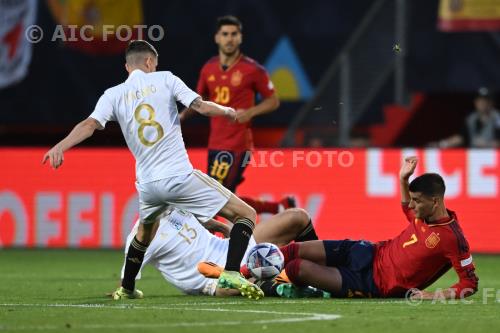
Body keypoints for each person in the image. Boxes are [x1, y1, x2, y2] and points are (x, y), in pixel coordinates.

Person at [42, 40, 263, 300]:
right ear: (149, 62)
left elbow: (89, 124)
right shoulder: (166, 79)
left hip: (147, 185)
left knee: (145, 234)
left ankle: (126, 289)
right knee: (246, 214)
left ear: (127, 66)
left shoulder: (112, 94)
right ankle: (232, 272)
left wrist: (61, 146)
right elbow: (200, 106)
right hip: (179, 175)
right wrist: (227, 111)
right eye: (154, 63)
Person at [277, 157, 479, 300]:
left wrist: (433, 295)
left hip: (372, 283)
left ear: (435, 202)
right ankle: (244, 272)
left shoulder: (452, 239)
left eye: (416, 201)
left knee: (297, 268)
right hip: (367, 251)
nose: (411, 205)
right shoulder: (422, 214)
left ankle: (272, 285)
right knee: (292, 251)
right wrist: (403, 179)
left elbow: (469, 283)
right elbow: (406, 208)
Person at [180, 15, 295, 214]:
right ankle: (278, 206)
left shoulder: (253, 70)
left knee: (213, 197)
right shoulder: (208, 69)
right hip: (215, 143)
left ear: (240, 38)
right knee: (225, 196)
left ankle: (217, 241)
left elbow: (273, 101)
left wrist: (250, 112)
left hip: (238, 145)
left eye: (234, 34)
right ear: (217, 38)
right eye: (225, 34)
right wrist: (181, 117)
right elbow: (199, 100)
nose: (230, 38)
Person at [120, 207, 319, 297]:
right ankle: (283, 286)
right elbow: (127, 279)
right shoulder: (138, 239)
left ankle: (325, 265)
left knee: (297, 217)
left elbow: (202, 219)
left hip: (231, 249)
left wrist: (224, 229)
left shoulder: (174, 204)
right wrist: (123, 290)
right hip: (215, 277)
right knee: (272, 273)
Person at [435, 87, 500, 148]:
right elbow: (461, 137)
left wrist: (487, 144)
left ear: (491, 102)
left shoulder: (497, 118)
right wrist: (442, 144)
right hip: (474, 156)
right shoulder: (471, 118)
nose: (482, 103)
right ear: (475, 102)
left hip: (493, 156)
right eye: (479, 100)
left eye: (485, 101)